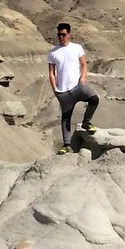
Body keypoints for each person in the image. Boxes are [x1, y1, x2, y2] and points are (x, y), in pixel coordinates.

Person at [48, 22, 99, 154]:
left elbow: (84, 64)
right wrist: (55, 90)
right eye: (59, 34)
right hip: (63, 91)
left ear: (69, 34)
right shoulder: (53, 53)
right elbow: (51, 73)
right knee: (66, 118)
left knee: (94, 99)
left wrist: (82, 79)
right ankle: (66, 145)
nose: (61, 37)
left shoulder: (77, 48)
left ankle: (86, 122)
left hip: (78, 86)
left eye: (63, 34)